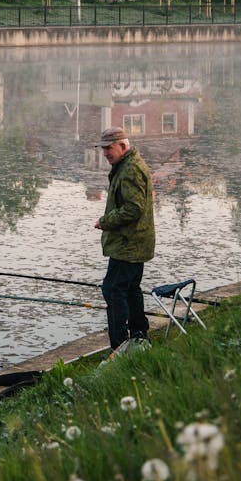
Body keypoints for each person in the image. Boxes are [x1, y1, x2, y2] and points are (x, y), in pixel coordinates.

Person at [94, 126, 155, 352]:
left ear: (123, 145)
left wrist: (106, 221)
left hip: (129, 244)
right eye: (103, 149)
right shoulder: (128, 165)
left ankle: (118, 347)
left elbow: (134, 208)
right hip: (134, 242)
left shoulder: (130, 169)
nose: (106, 153)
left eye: (109, 148)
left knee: (112, 289)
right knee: (130, 289)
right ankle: (140, 337)